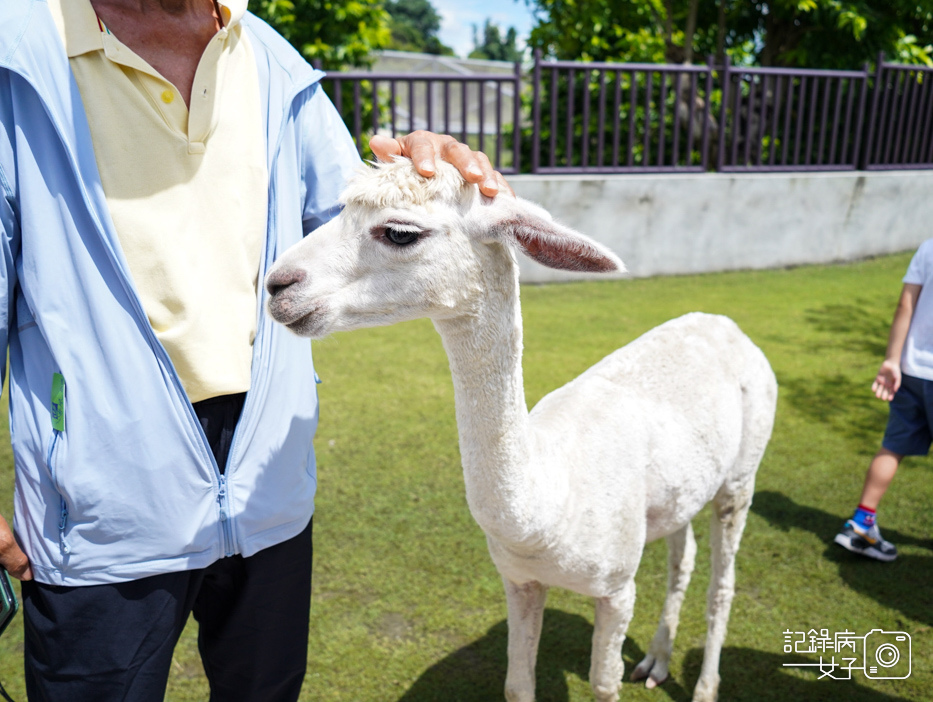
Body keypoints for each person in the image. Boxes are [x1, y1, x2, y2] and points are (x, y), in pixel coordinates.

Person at [0, 1, 506, 700]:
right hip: (101, 506)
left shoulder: (270, 58)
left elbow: (350, 224)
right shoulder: (17, 56)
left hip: (269, 487)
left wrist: (427, 180)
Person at [833, 240, 933, 562]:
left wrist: (892, 359)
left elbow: (906, 304)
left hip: (911, 372)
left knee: (893, 446)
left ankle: (860, 524)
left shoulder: (929, 248)